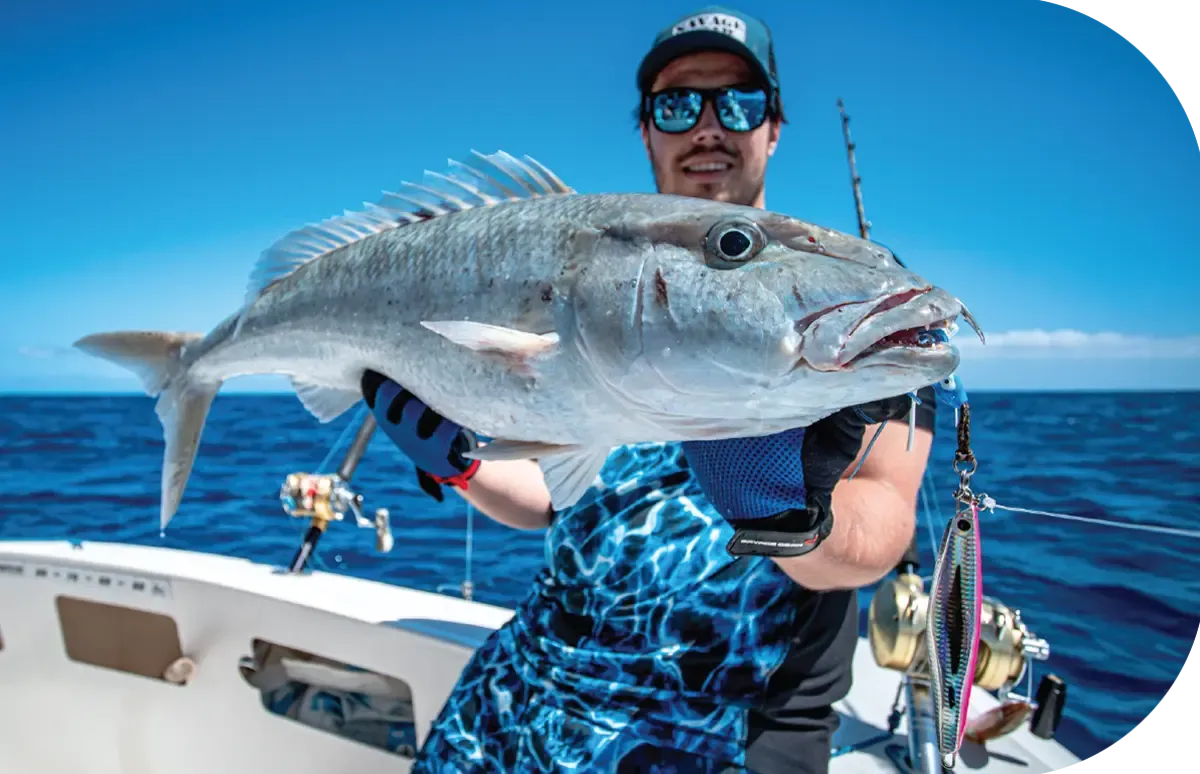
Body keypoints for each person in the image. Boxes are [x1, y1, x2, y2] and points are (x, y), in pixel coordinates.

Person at [360, 6, 938, 773]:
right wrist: (461, 464)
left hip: (717, 728)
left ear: (773, 127)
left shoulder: (849, 301)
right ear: (646, 132)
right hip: (522, 688)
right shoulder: (596, 279)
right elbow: (552, 504)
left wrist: (786, 515)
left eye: (738, 102)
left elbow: (883, 532)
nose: (708, 126)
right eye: (677, 105)